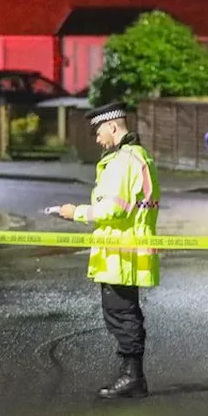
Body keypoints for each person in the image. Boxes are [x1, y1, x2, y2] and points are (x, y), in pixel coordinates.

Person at [57, 102, 160, 399]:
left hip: (121, 250)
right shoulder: (137, 156)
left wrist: (75, 212)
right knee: (125, 311)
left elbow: (113, 208)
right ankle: (132, 376)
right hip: (127, 247)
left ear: (113, 126)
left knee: (121, 313)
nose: (96, 138)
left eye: (98, 130)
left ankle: (132, 377)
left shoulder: (123, 161)